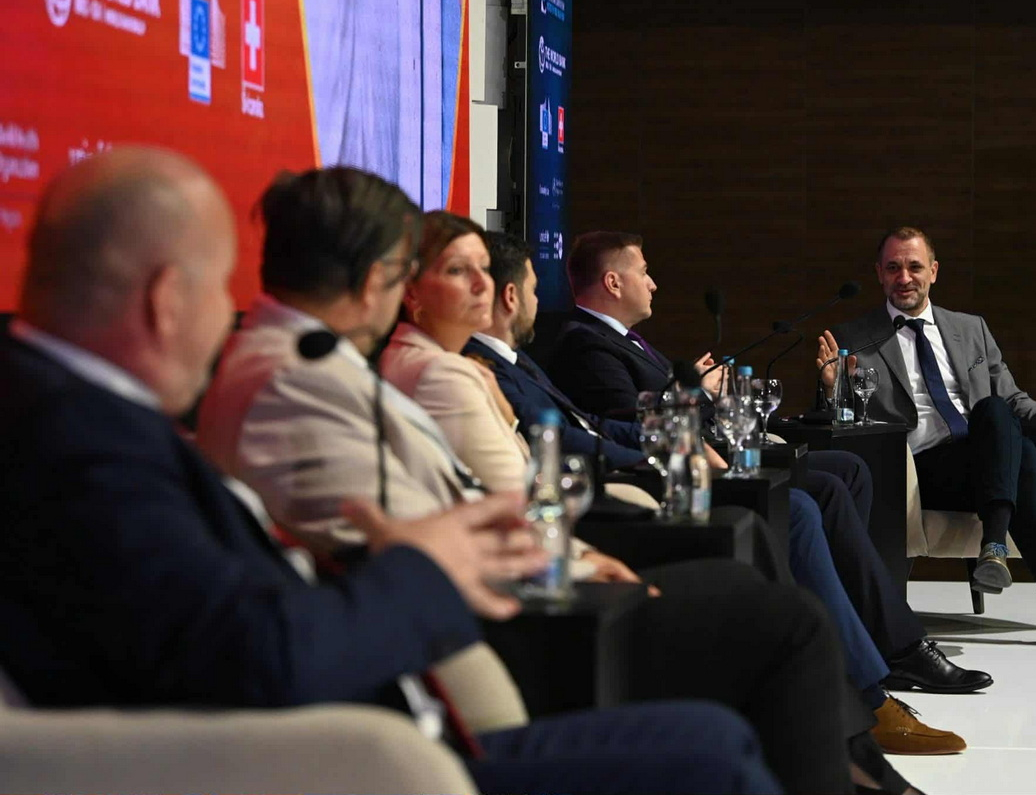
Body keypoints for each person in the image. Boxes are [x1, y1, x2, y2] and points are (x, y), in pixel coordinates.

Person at [0, 147, 787, 795]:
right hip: (350, 757)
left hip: (374, 728)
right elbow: (255, 657)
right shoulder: (79, 446)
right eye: (219, 286)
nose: (227, 318)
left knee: (718, 735)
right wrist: (424, 564)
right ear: (169, 300)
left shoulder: (72, 418)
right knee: (717, 748)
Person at [195, 176, 920, 794]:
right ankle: (855, 760)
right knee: (779, 620)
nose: (485, 289)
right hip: (497, 627)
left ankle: (852, 753)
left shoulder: (316, 363)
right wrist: (566, 558)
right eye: (426, 268)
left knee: (759, 587)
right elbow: (423, 530)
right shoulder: (300, 379)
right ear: (377, 276)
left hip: (502, 591)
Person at [472, 231, 992, 759]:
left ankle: (874, 649)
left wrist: (690, 409)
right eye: (644, 271)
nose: (653, 283)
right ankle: (864, 686)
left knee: (839, 479)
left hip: (687, 456)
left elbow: (600, 423)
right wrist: (690, 408)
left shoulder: (539, 357)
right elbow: (597, 429)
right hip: (641, 486)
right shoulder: (575, 344)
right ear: (612, 281)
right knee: (802, 506)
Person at [818, 226, 1036, 651]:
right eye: (893, 268)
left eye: (914, 266)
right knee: (1021, 455)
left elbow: (1011, 397)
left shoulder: (970, 328)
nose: (904, 277)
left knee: (997, 415)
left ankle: (997, 546)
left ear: (934, 271)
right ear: (879, 274)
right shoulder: (853, 338)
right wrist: (833, 389)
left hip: (983, 459)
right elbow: (841, 422)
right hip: (919, 470)